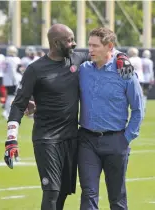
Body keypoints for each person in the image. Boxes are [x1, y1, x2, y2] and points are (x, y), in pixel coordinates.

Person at [3, 24, 134, 210]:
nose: (74, 44)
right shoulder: (35, 69)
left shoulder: (77, 59)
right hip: (47, 139)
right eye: (69, 40)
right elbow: (18, 105)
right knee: (52, 191)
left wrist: (122, 57)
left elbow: (106, 48)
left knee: (63, 191)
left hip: (72, 138)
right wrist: (11, 140)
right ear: (56, 43)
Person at [78, 27, 144, 210]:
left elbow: (138, 108)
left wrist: (126, 138)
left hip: (116, 141)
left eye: (95, 46)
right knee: (88, 194)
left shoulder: (125, 72)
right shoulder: (83, 70)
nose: (90, 50)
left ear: (109, 47)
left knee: (117, 198)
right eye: (89, 45)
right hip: (87, 141)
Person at [2, 45, 22, 120]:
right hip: (12, 80)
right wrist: (15, 80)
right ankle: (7, 112)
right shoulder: (14, 59)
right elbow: (13, 71)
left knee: (10, 96)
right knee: (11, 96)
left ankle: (7, 111)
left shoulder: (5, 59)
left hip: (7, 80)